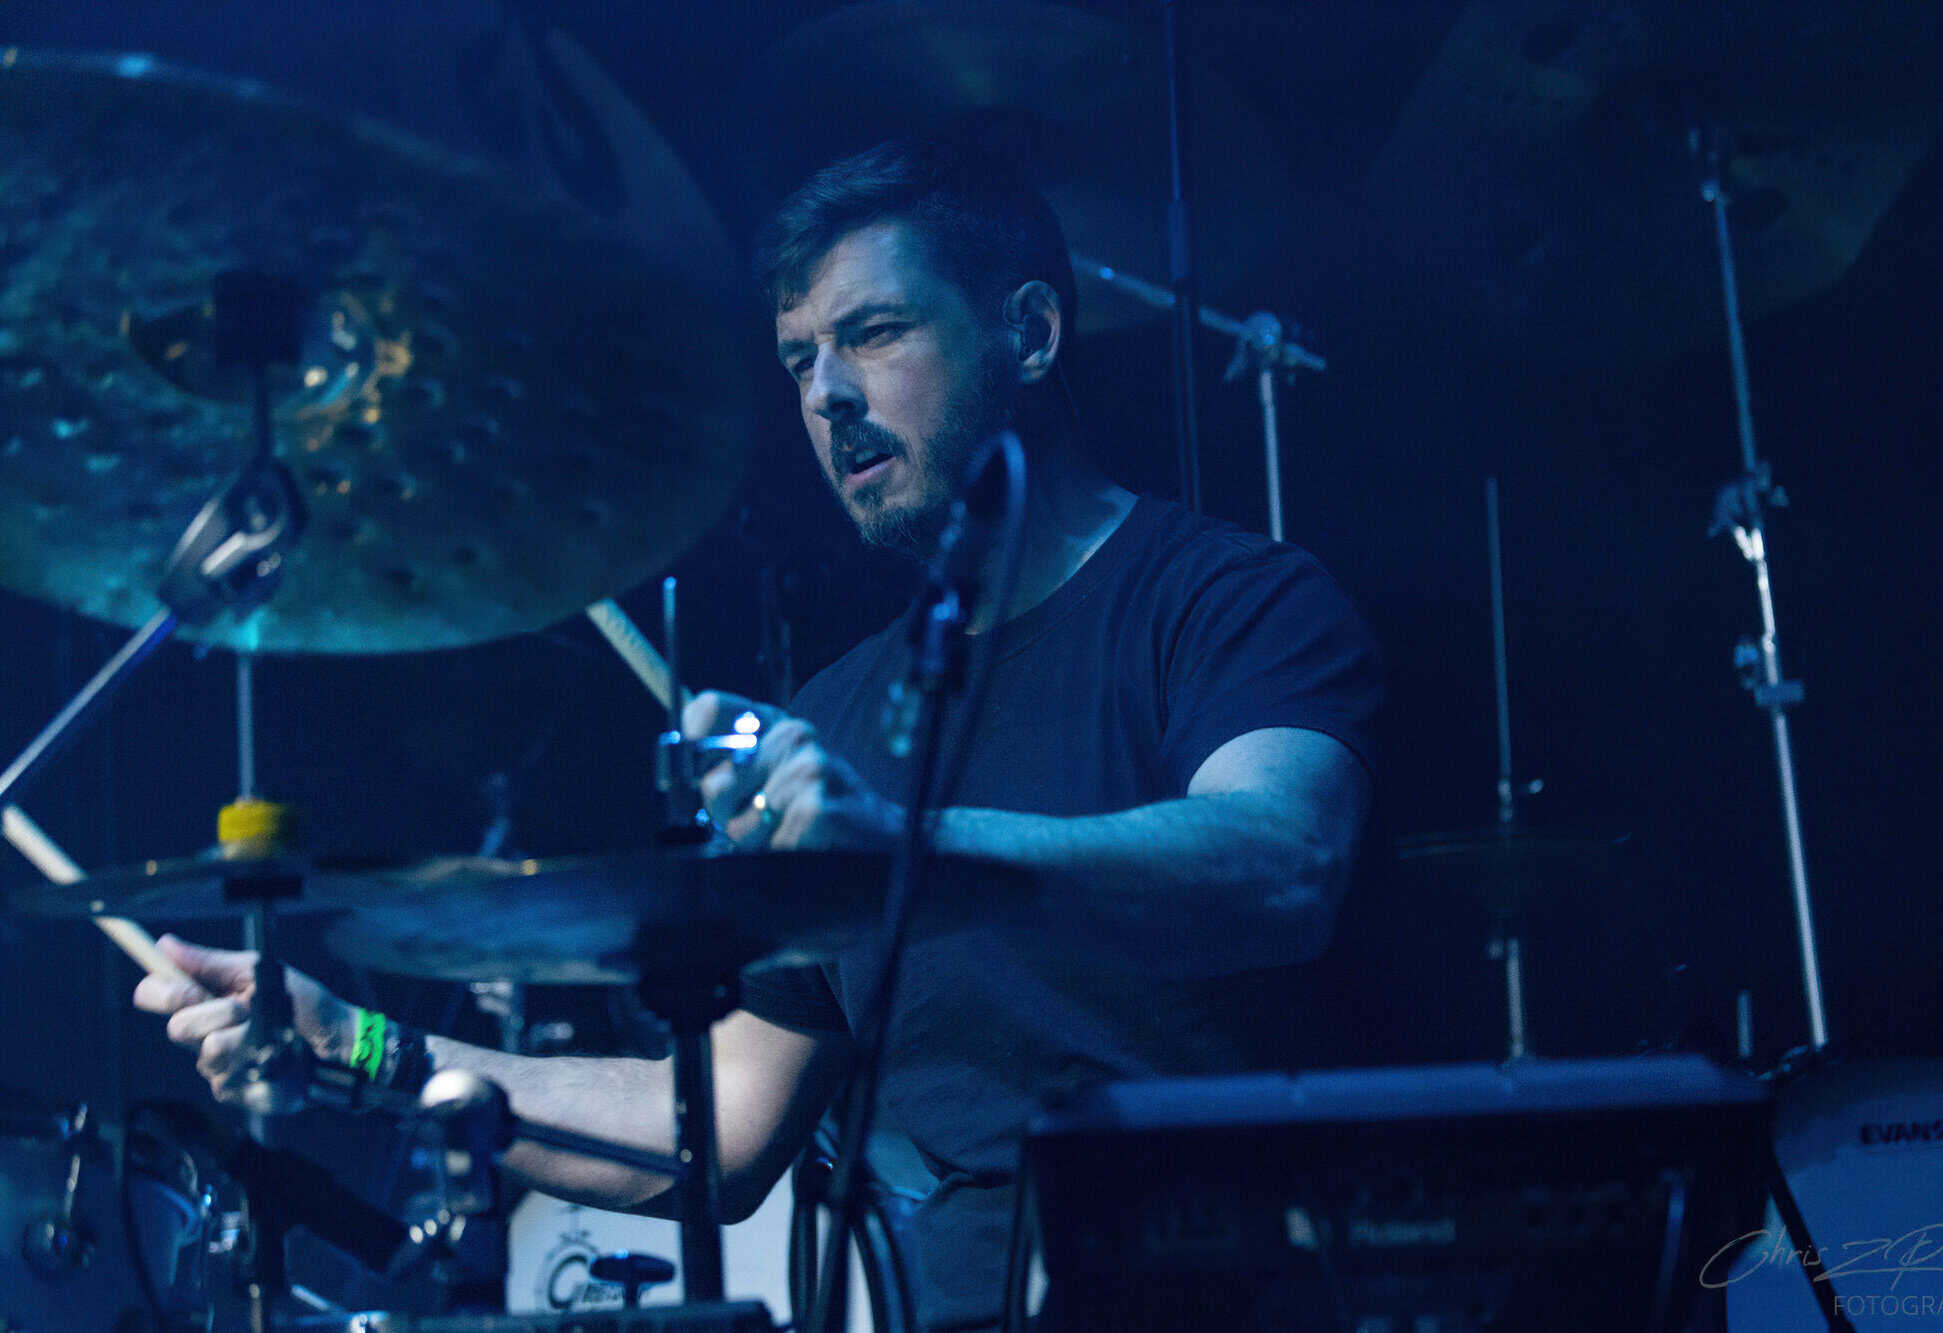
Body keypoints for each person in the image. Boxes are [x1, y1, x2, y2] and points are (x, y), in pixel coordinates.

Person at [137, 137, 1383, 1332]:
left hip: (1223, 1294)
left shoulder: (1229, 602)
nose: (827, 394)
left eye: (873, 332)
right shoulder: (838, 717)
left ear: (1029, 330)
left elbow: (1280, 867)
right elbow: (720, 1129)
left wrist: (898, 851)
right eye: (798, 359)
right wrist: (360, 1047)